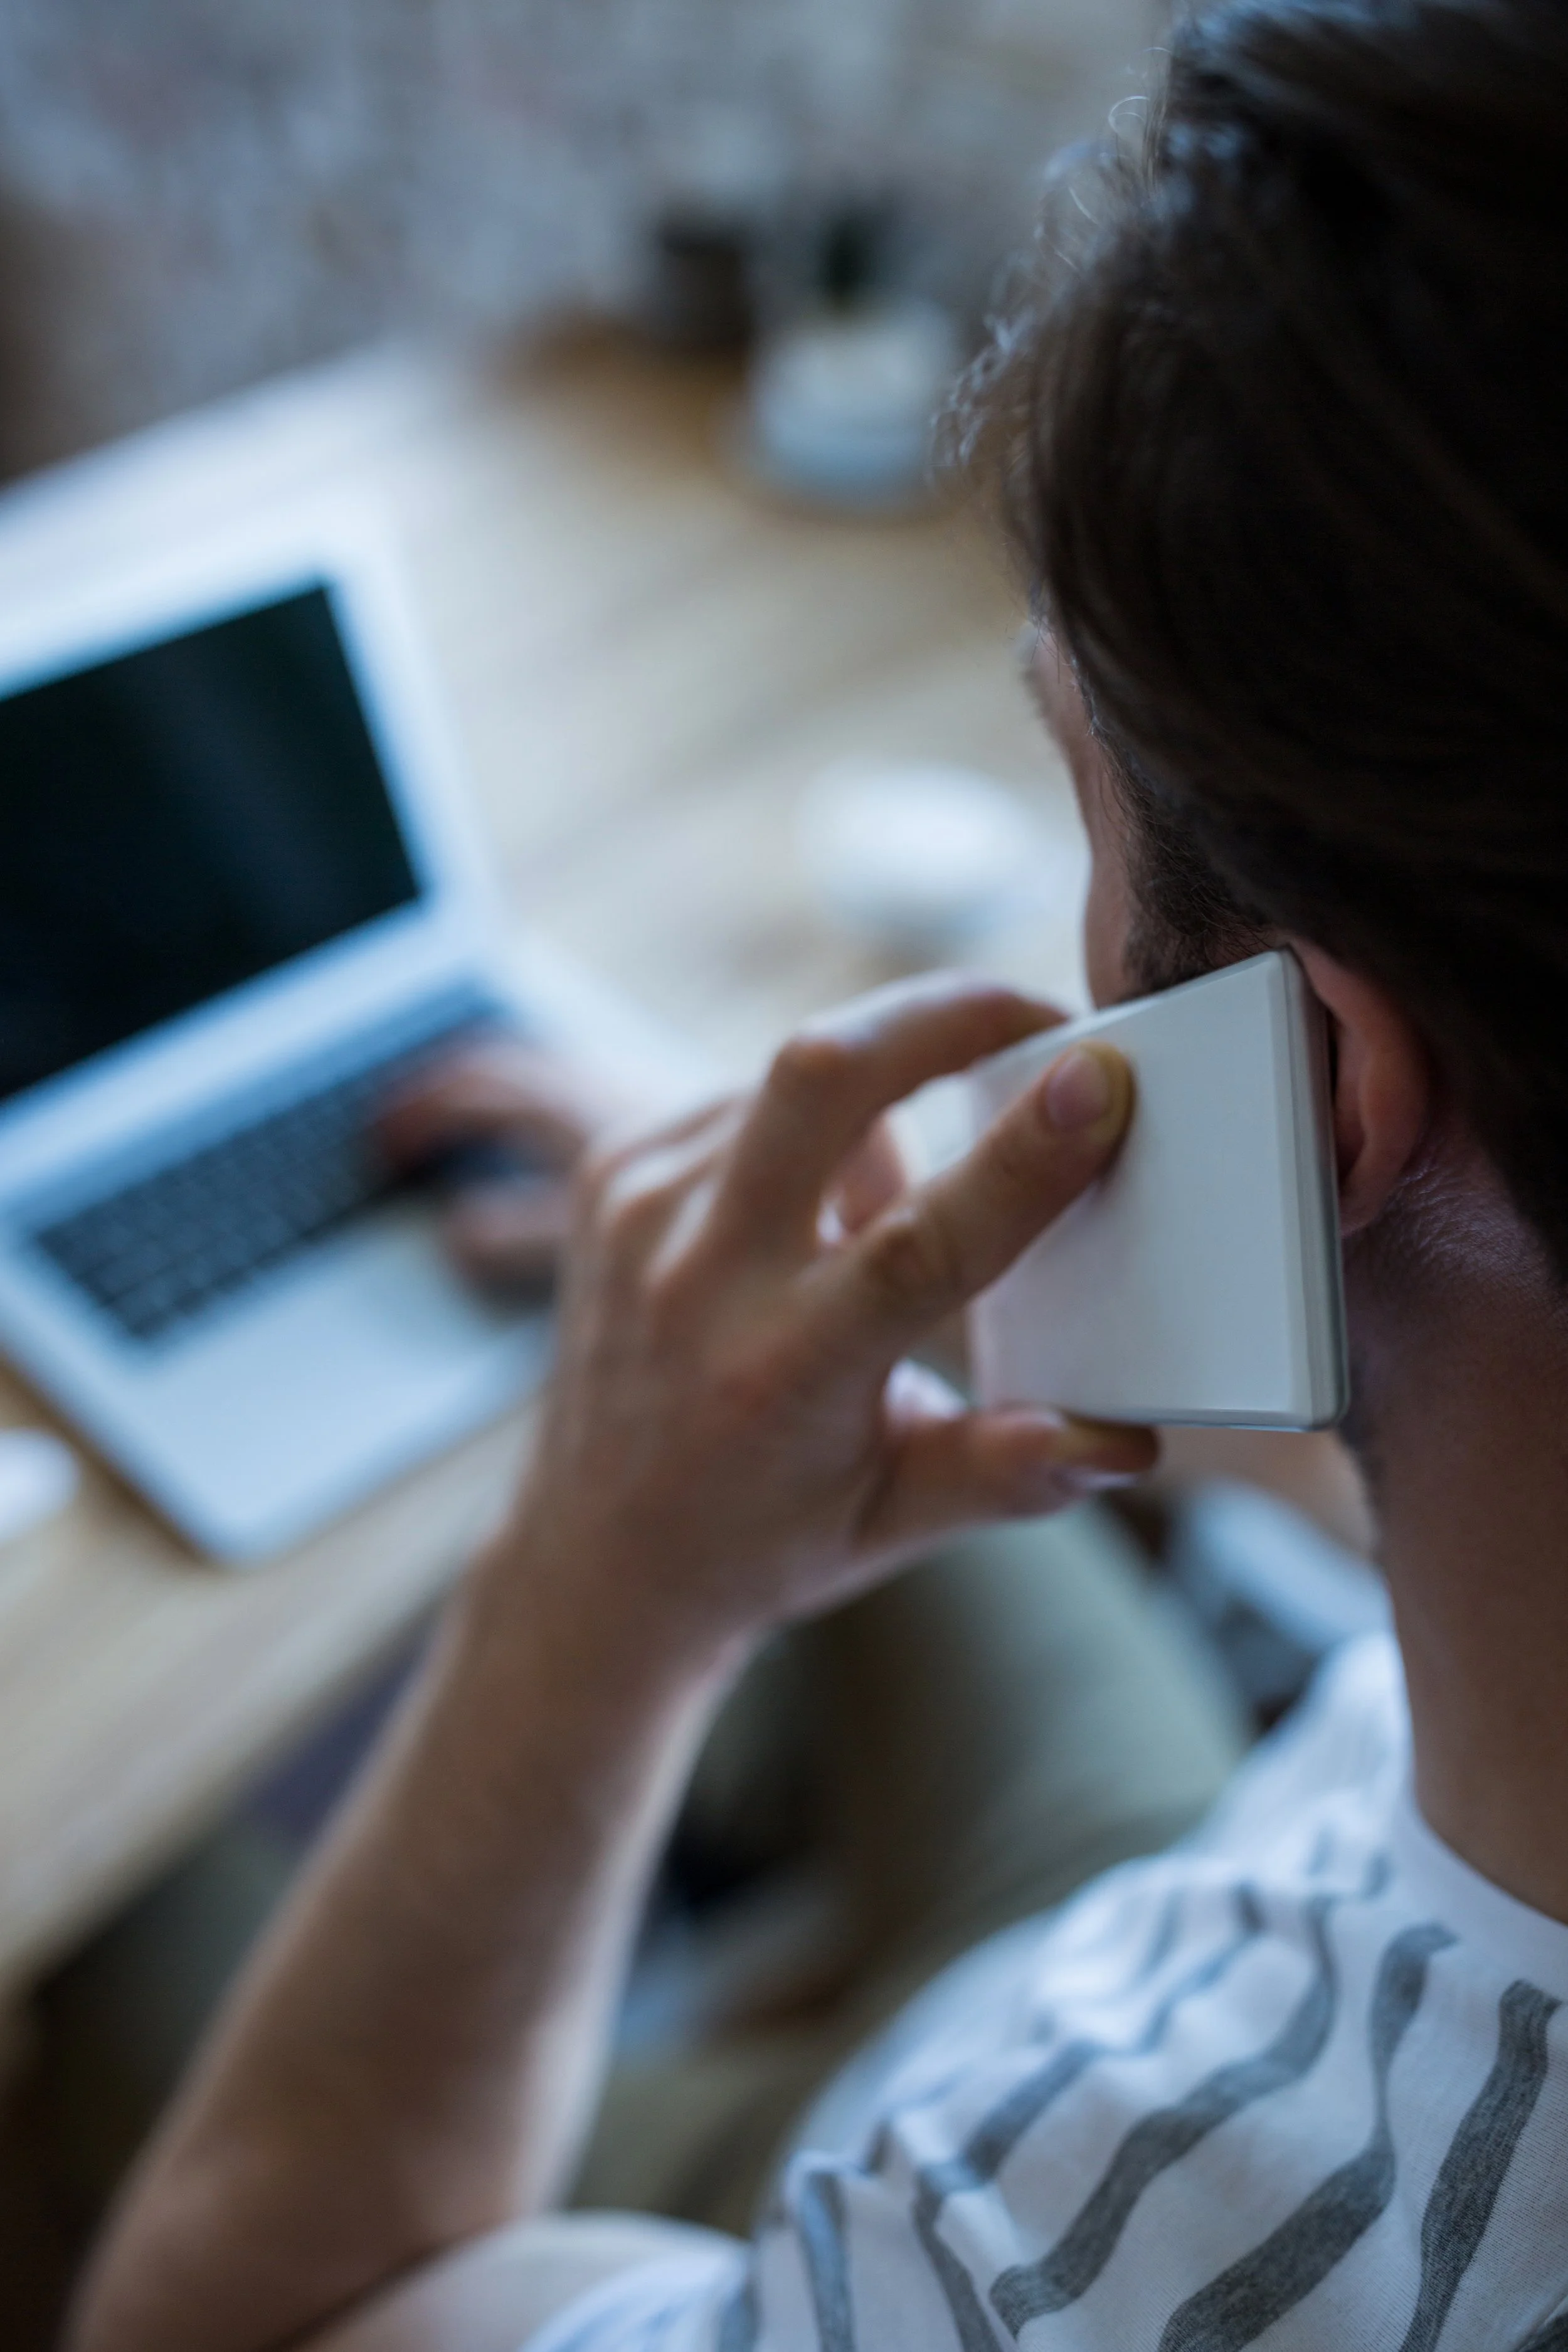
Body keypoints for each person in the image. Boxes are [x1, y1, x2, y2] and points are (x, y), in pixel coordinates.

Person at [68, 0, 1568, 2343]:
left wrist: (600, 1580)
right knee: (871, 1385)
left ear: (1318, 1092)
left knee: (96, 1913)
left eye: (1078, 798)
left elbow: (224, 2309)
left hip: (989, 2092)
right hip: (1262, 1833)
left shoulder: (1006, 2281)